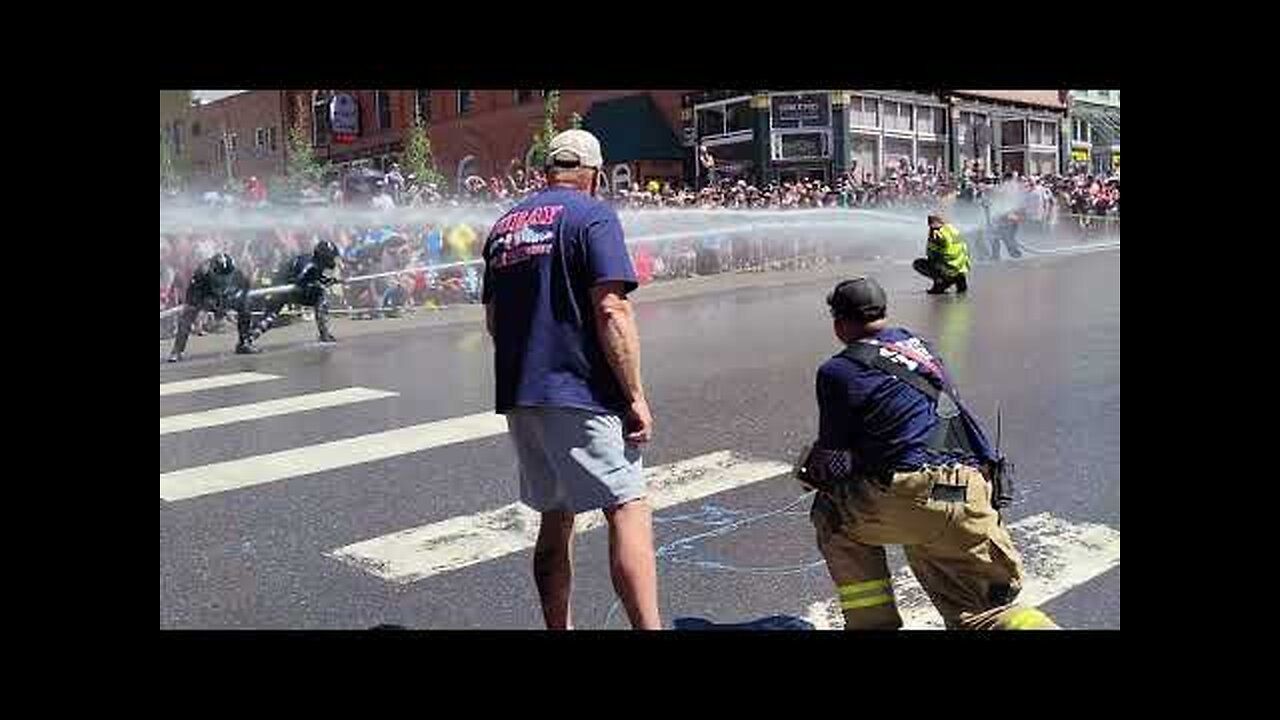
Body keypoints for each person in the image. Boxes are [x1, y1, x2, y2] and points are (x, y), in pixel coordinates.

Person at [798, 277, 1058, 630]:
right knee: (981, 613)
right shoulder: (921, 347)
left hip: (912, 494)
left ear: (839, 323)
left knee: (831, 513)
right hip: (968, 491)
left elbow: (834, 461)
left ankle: (871, 624)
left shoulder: (837, 371)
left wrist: (809, 471)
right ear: (884, 314)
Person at [482, 129, 660, 630]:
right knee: (627, 507)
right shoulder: (593, 215)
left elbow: (494, 320)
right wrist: (635, 396)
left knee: (554, 517)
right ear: (595, 175)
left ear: (546, 172)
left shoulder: (504, 225)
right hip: (580, 391)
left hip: (522, 393)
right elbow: (612, 309)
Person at [248, 239, 341, 345]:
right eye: (331, 258)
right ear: (324, 257)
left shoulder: (315, 263)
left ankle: (324, 334)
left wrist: (327, 281)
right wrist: (320, 284)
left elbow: (313, 279)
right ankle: (246, 341)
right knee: (269, 318)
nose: (332, 261)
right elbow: (300, 282)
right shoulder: (309, 265)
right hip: (284, 288)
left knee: (320, 297)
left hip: (289, 287)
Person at [167, 253, 255, 362]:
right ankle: (177, 351)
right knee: (187, 317)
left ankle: (244, 342)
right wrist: (207, 305)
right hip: (207, 296)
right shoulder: (200, 275)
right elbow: (191, 300)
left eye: (226, 276)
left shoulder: (238, 275)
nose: (222, 280)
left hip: (227, 297)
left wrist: (230, 303)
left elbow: (245, 290)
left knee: (245, 306)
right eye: (219, 276)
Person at [913, 214, 970, 294]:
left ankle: (942, 281)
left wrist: (932, 241)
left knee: (918, 264)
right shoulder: (952, 229)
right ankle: (959, 280)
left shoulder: (938, 234)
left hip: (949, 268)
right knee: (940, 258)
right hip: (960, 267)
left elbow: (934, 253)